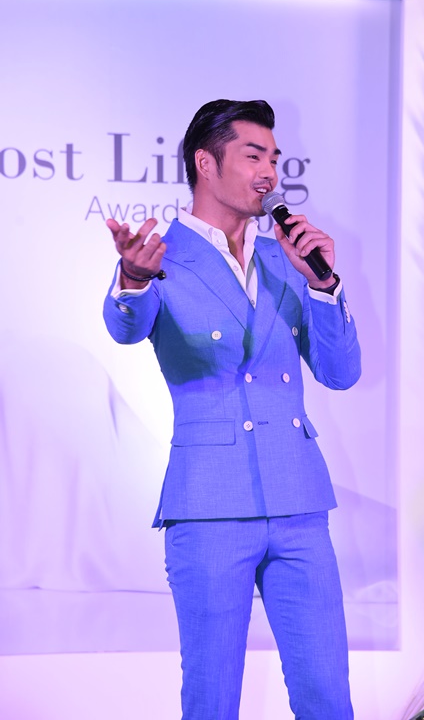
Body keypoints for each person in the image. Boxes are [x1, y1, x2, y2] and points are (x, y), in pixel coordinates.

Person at [103, 99, 361, 719]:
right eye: (253, 156)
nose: (269, 172)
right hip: (209, 504)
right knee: (213, 697)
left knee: (327, 694)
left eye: (274, 158)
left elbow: (340, 372)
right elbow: (125, 328)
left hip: (299, 502)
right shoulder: (159, 255)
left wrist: (324, 286)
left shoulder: (285, 258)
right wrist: (132, 280)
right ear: (205, 163)